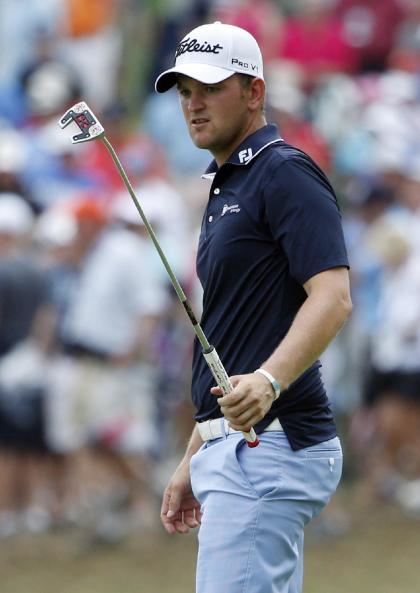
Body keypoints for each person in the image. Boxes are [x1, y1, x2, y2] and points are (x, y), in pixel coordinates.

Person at [155, 22, 352, 593]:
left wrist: (267, 382)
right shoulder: (228, 184)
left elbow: (333, 296)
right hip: (238, 446)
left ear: (254, 93)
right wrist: (197, 452)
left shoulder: (283, 171)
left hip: (272, 442)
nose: (194, 104)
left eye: (210, 88)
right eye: (185, 91)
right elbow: (231, 335)